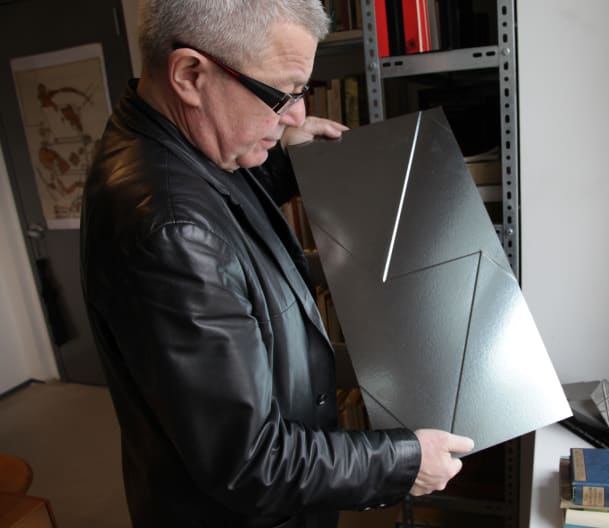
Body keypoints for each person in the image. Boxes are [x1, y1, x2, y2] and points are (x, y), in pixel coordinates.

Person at [79, 1, 474, 527]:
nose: (294, 115)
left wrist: (281, 159)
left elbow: (219, 208)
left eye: (299, 94)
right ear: (190, 75)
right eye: (280, 94)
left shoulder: (167, 138)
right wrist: (402, 463)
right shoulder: (171, 232)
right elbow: (251, 462)